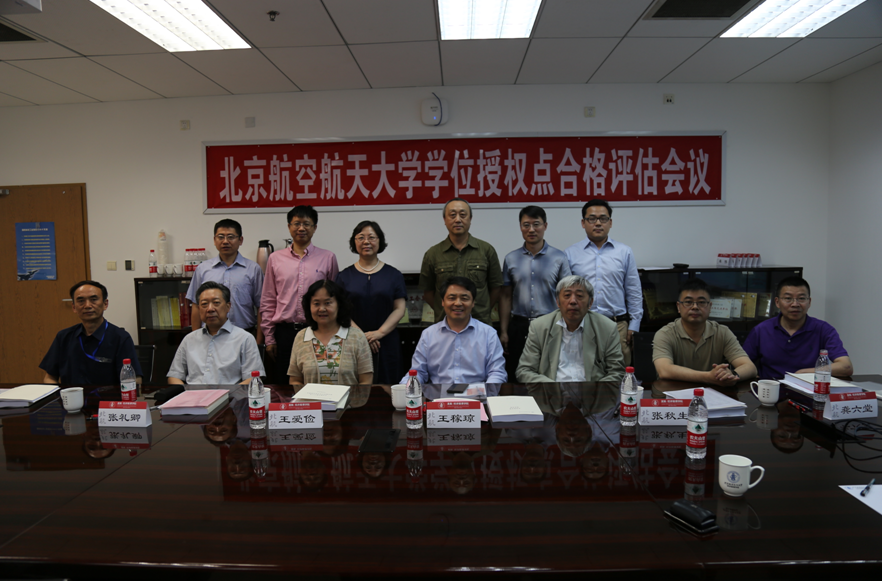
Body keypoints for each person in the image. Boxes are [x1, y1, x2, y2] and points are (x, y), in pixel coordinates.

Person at [261, 205, 339, 383]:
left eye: (306, 224)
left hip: (319, 331)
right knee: (285, 383)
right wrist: (270, 338)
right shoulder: (275, 259)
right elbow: (268, 300)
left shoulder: (328, 258)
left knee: (319, 381)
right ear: (289, 227)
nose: (301, 228)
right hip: (285, 333)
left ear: (315, 227)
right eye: (296, 223)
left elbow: (335, 300)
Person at [565, 199, 642, 365]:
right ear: (583, 223)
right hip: (582, 324)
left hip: (617, 326)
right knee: (583, 372)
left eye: (603, 219)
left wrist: (634, 325)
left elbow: (633, 291)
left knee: (619, 373)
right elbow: (566, 294)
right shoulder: (570, 254)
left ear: (610, 222)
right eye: (592, 219)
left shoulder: (624, 252)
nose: (598, 223)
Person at [499, 206, 571, 382]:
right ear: (520, 227)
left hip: (550, 325)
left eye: (536, 224)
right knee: (517, 373)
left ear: (545, 226)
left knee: (549, 373)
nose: (531, 229)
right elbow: (506, 297)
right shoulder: (511, 258)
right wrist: (504, 331)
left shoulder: (559, 257)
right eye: (526, 225)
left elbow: (567, 295)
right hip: (519, 326)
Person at [516, 276, 625, 384]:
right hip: (551, 391)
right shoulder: (539, 327)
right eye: (567, 295)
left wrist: (593, 391)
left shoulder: (607, 328)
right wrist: (553, 388)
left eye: (579, 296)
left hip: (592, 392)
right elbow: (524, 371)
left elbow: (616, 372)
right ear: (558, 302)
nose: (573, 301)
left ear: (590, 303)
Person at [335, 221, 407, 384]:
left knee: (388, 388)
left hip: (386, 342)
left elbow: (399, 309)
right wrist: (362, 337)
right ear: (354, 242)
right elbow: (340, 311)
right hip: (353, 342)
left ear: (380, 241)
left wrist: (379, 333)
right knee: (355, 388)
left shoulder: (394, 275)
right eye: (361, 237)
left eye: (371, 237)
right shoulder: (344, 276)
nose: (366, 242)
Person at [402, 276, 506, 385]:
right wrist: (404, 387)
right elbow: (418, 372)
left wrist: (487, 392)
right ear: (443, 302)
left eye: (464, 298)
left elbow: (497, 372)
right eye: (452, 298)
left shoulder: (488, 334)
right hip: (439, 394)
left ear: (473, 302)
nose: (458, 303)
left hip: (477, 394)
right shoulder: (429, 334)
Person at [743, 276, 853, 379]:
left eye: (801, 298)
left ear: (809, 302)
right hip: (772, 390)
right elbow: (743, 365)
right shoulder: (761, 330)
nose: (795, 304)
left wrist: (805, 373)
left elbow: (846, 366)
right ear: (777, 302)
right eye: (788, 298)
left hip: (808, 389)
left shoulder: (823, 330)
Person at [653, 279, 756, 386]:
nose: (695, 307)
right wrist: (708, 377)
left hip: (713, 393)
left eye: (701, 302)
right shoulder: (665, 334)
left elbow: (750, 367)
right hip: (674, 393)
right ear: (678, 307)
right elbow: (664, 370)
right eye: (688, 302)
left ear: (710, 306)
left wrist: (731, 375)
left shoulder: (722, 332)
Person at [419, 198, 503, 325]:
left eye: (463, 215)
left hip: (480, 323)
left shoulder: (486, 250)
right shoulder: (433, 254)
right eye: (452, 215)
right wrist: (446, 310)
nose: (458, 220)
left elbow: (496, 288)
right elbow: (428, 292)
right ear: (444, 220)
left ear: (470, 219)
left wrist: (483, 311)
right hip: (445, 325)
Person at [40, 280, 142, 385]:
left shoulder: (120, 338)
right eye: (81, 301)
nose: (87, 305)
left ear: (105, 304)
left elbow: (135, 380)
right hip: (71, 395)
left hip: (108, 396)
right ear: (74, 307)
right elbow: (49, 378)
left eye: (93, 300)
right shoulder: (63, 337)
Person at [167, 282, 264, 385]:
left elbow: (253, 378)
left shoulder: (245, 338)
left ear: (228, 306)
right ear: (199, 309)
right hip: (193, 394)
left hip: (231, 394)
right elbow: (174, 376)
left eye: (216, 303)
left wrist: (229, 393)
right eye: (204, 304)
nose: (210, 309)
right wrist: (185, 393)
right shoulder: (189, 339)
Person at [186, 219, 264, 342]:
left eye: (231, 237)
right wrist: (195, 341)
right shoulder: (203, 269)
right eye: (221, 237)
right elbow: (196, 305)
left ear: (240, 240)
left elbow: (261, 307)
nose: (225, 241)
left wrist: (259, 342)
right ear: (214, 240)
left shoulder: (253, 269)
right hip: (209, 336)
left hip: (244, 335)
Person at [288, 280, 373, 387]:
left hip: (349, 398)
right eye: (316, 304)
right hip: (311, 398)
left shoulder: (357, 337)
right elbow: (295, 380)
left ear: (339, 305)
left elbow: (366, 381)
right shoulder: (301, 337)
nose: (322, 309)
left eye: (328, 303)